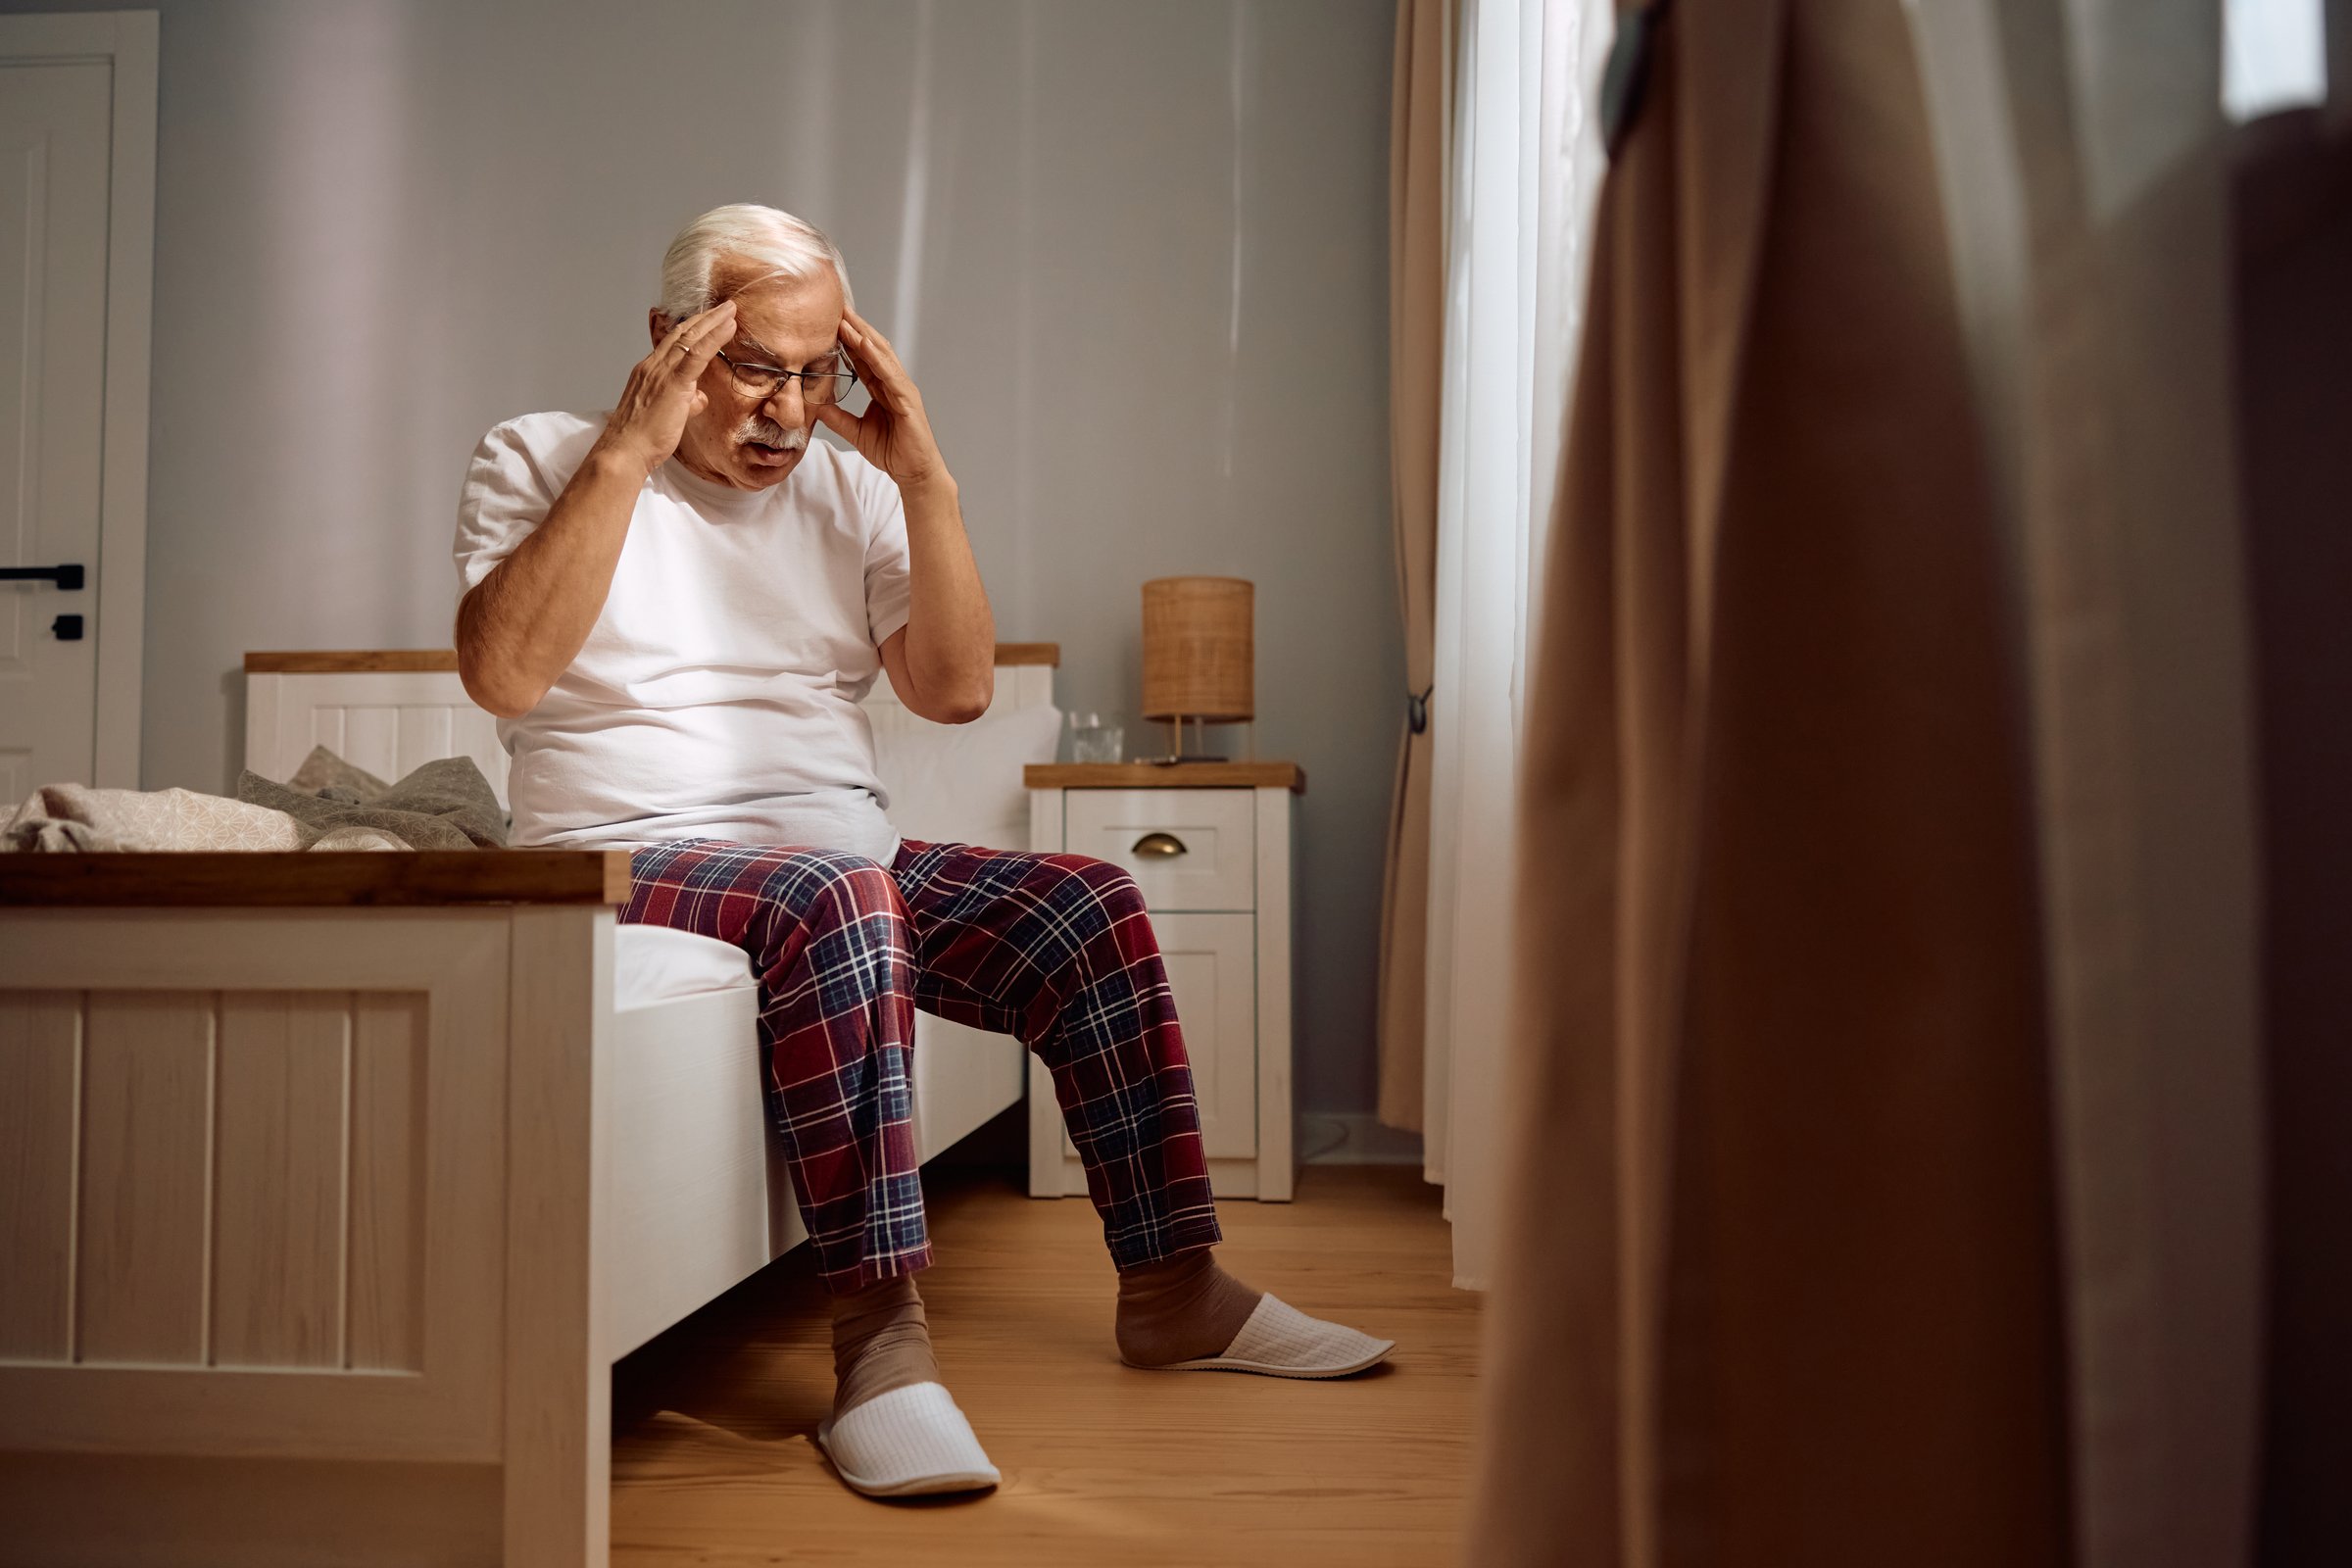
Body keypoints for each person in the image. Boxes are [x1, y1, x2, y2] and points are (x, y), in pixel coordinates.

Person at [452, 204, 1393, 1499]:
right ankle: (879, 1349)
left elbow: (952, 693)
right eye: (753, 367)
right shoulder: (544, 454)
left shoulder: (849, 491)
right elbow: (501, 673)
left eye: (814, 371)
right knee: (841, 898)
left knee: (1085, 903)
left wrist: (925, 481)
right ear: (670, 340)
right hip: (613, 860)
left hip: (839, 861)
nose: (788, 410)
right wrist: (625, 453)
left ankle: (1175, 1286)